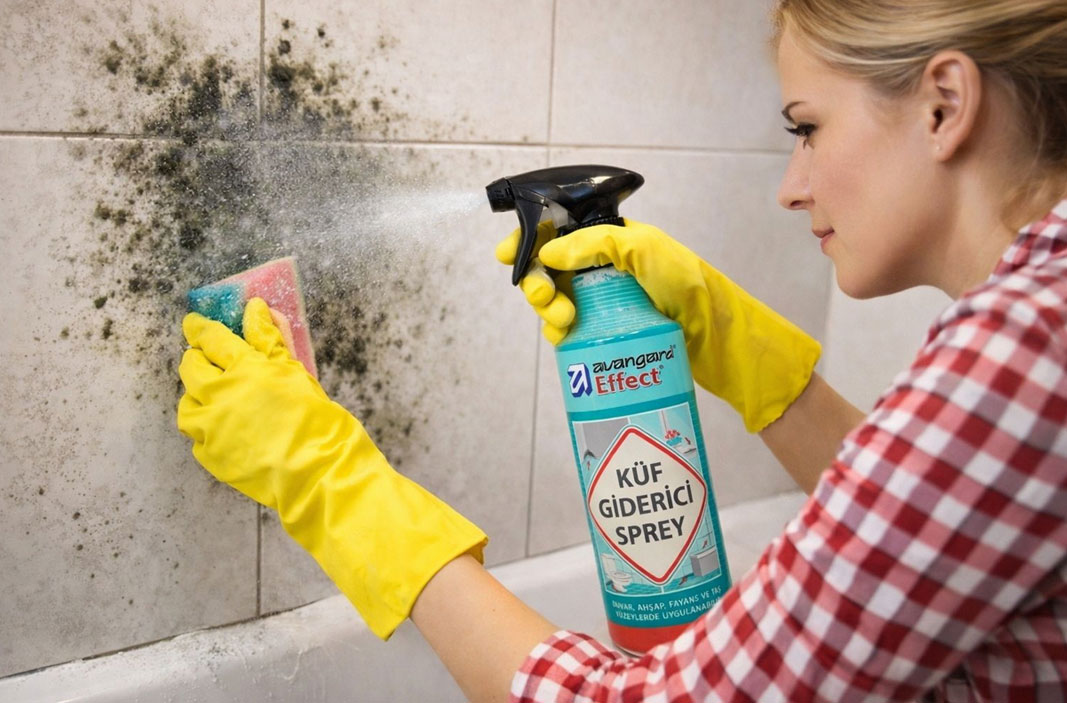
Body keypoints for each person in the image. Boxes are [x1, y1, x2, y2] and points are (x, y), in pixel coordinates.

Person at [176, 0, 1067, 700]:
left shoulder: (1020, 348)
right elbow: (935, 536)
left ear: (944, 105)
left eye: (806, 127)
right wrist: (740, 351)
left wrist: (336, 487)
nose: (792, 187)